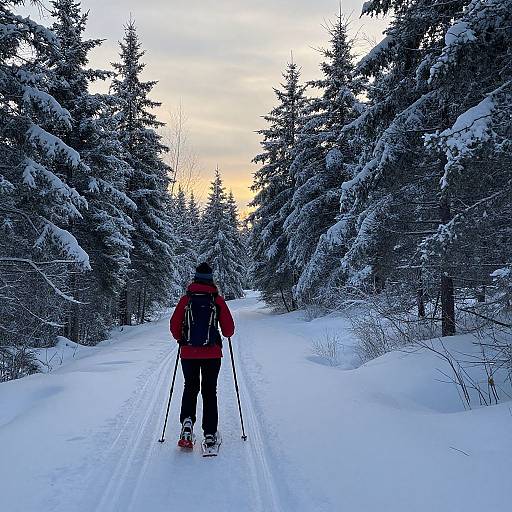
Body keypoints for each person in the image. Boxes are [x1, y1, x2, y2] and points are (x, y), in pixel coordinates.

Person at [169, 262, 235, 450]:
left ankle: (187, 425)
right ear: (211, 279)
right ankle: (210, 434)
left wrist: (181, 339)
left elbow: (174, 326)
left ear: (195, 278)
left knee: (190, 388)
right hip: (212, 354)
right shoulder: (217, 300)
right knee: (209, 390)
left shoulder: (186, 299)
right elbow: (229, 330)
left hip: (188, 353)